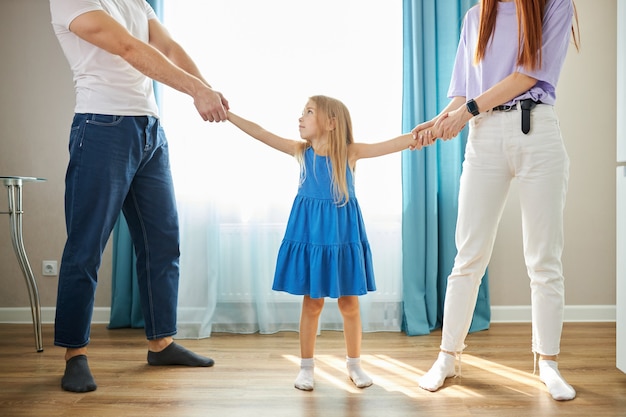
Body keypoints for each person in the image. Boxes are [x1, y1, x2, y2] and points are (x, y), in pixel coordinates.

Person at [49, 0, 229, 393]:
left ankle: (161, 342)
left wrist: (206, 89)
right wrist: (197, 90)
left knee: (163, 242)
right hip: (100, 127)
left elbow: (167, 47)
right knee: (86, 248)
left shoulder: (136, 0)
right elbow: (129, 47)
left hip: (149, 129)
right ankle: (74, 354)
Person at [412, 0, 580, 401]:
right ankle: (448, 357)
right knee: (467, 254)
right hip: (484, 136)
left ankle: (549, 363)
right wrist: (439, 121)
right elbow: (463, 94)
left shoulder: (555, 5)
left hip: (536, 131)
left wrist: (465, 112)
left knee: (543, 258)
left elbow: (527, 76)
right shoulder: (475, 17)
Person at [228, 95, 417, 390]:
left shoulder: (349, 153)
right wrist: (229, 115)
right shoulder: (301, 152)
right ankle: (306, 367)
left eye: (309, 112)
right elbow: (261, 132)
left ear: (330, 123)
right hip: (311, 235)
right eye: (302, 112)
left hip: (342, 237)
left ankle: (354, 364)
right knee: (312, 302)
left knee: (349, 304)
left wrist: (429, 130)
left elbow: (395, 143)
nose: (300, 117)